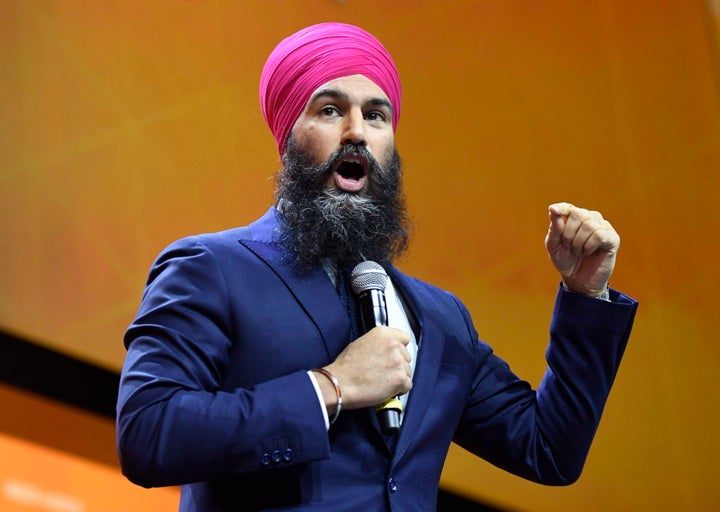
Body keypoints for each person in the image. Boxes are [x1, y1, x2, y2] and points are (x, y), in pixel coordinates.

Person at [116, 22, 638, 511]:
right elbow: (148, 434)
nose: (356, 133)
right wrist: (331, 387)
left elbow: (547, 449)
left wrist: (585, 295)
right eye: (328, 111)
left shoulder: (440, 318)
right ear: (287, 137)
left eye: (375, 115)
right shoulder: (212, 268)